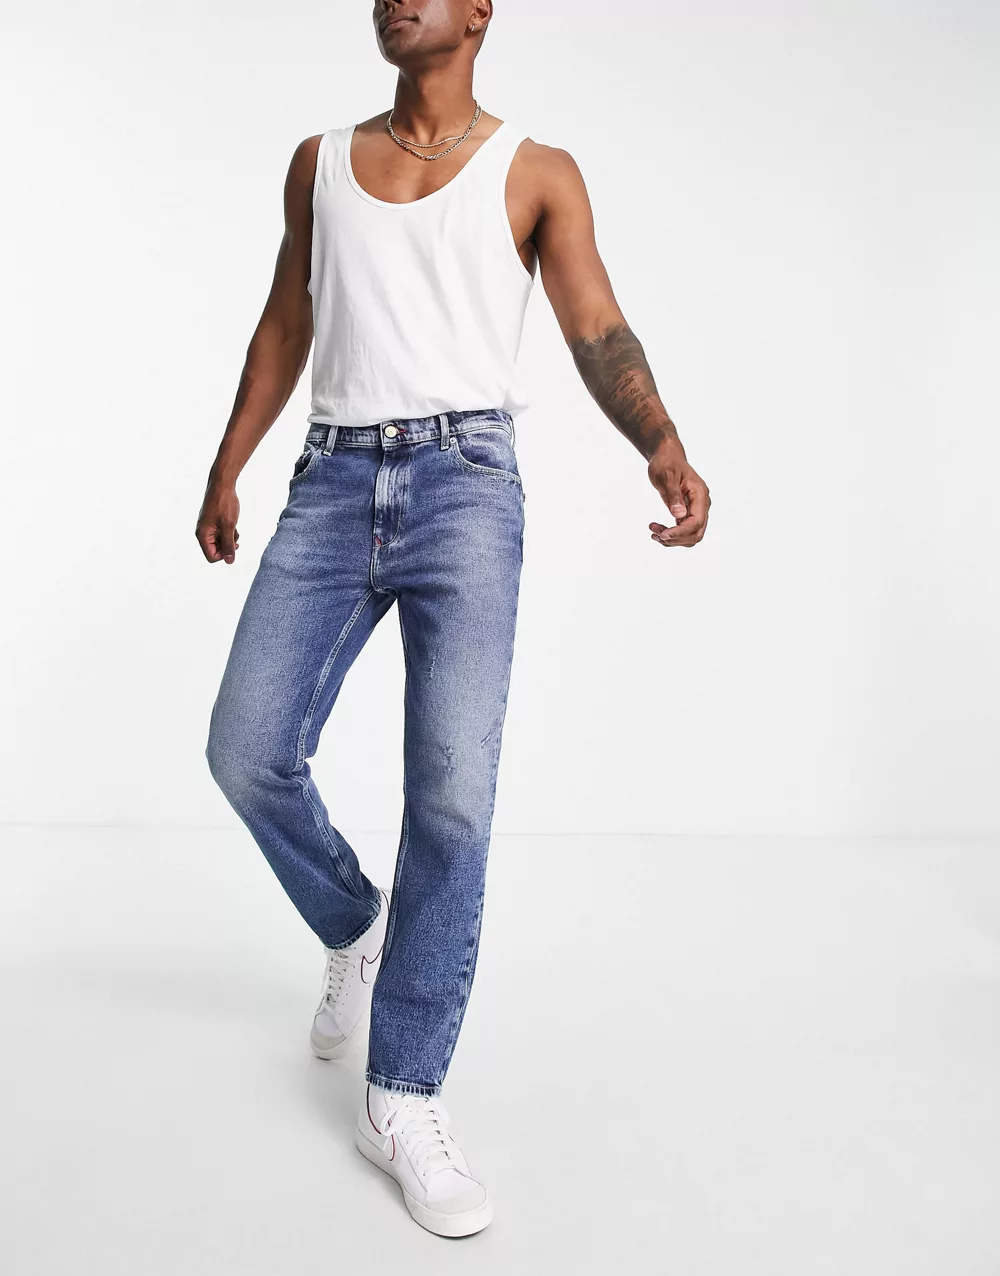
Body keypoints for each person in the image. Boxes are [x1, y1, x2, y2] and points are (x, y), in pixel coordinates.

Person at [198, 0, 710, 1240]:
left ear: (480, 11)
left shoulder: (536, 171)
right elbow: (287, 320)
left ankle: (404, 1094)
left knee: (452, 798)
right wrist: (227, 463)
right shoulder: (320, 161)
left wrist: (659, 440)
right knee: (246, 747)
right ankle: (354, 923)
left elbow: (596, 326)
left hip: (467, 488)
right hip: (330, 481)